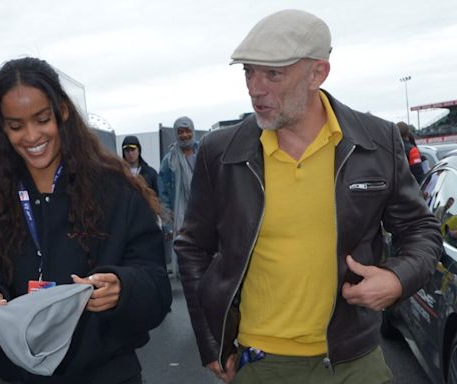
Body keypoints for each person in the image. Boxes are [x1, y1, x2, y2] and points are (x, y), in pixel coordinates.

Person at [174, 9, 442, 384]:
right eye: (249, 71)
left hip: (355, 360)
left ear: (318, 73)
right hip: (260, 362)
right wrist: (211, 343)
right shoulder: (220, 152)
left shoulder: (376, 141)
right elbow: (192, 248)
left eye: (273, 73)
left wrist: (398, 279)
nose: (255, 87)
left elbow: (420, 229)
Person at [0, 57, 172, 384]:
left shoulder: (114, 190)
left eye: (42, 119)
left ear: (62, 112)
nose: (32, 135)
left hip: (109, 375)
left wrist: (124, 288)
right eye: (16, 125)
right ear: (2, 129)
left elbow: (158, 289)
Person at [158, 116, 198, 275]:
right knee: (187, 260)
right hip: (180, 219)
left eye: (187, 131)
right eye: (180, 132)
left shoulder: (203, 152)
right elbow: (164, 196)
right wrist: (168, 223)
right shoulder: (169, 161)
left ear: (193, 131)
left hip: (203, 213)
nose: (184, 135)